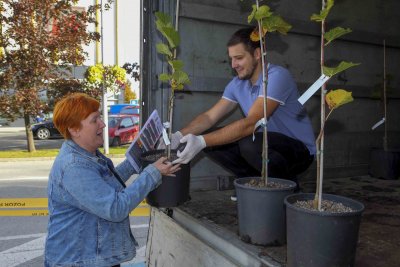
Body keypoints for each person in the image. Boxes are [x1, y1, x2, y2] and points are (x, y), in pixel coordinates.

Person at [168, 27, 316, 193]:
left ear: (257, 54)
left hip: (298, 151)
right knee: (212, 138)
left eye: (238, 58)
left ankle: (287, 188)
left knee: (248, 143)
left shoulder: (277, 77)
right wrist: (179, 136)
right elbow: (209, 117)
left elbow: (251, 123)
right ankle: (251, 182)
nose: (233, 65)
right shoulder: (237, 84)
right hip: (264, 143)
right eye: (231, 59)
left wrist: (202, 141)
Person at [44, 93, 180, 267]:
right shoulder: (73, 167)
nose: (103, 123)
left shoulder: (85, 154)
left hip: (91, 258)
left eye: (100, 117)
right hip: (78, 261)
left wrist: (136, 160)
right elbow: (115, 208)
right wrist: (153, 173)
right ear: (74, 129)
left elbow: (105, 184)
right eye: (95, 120)